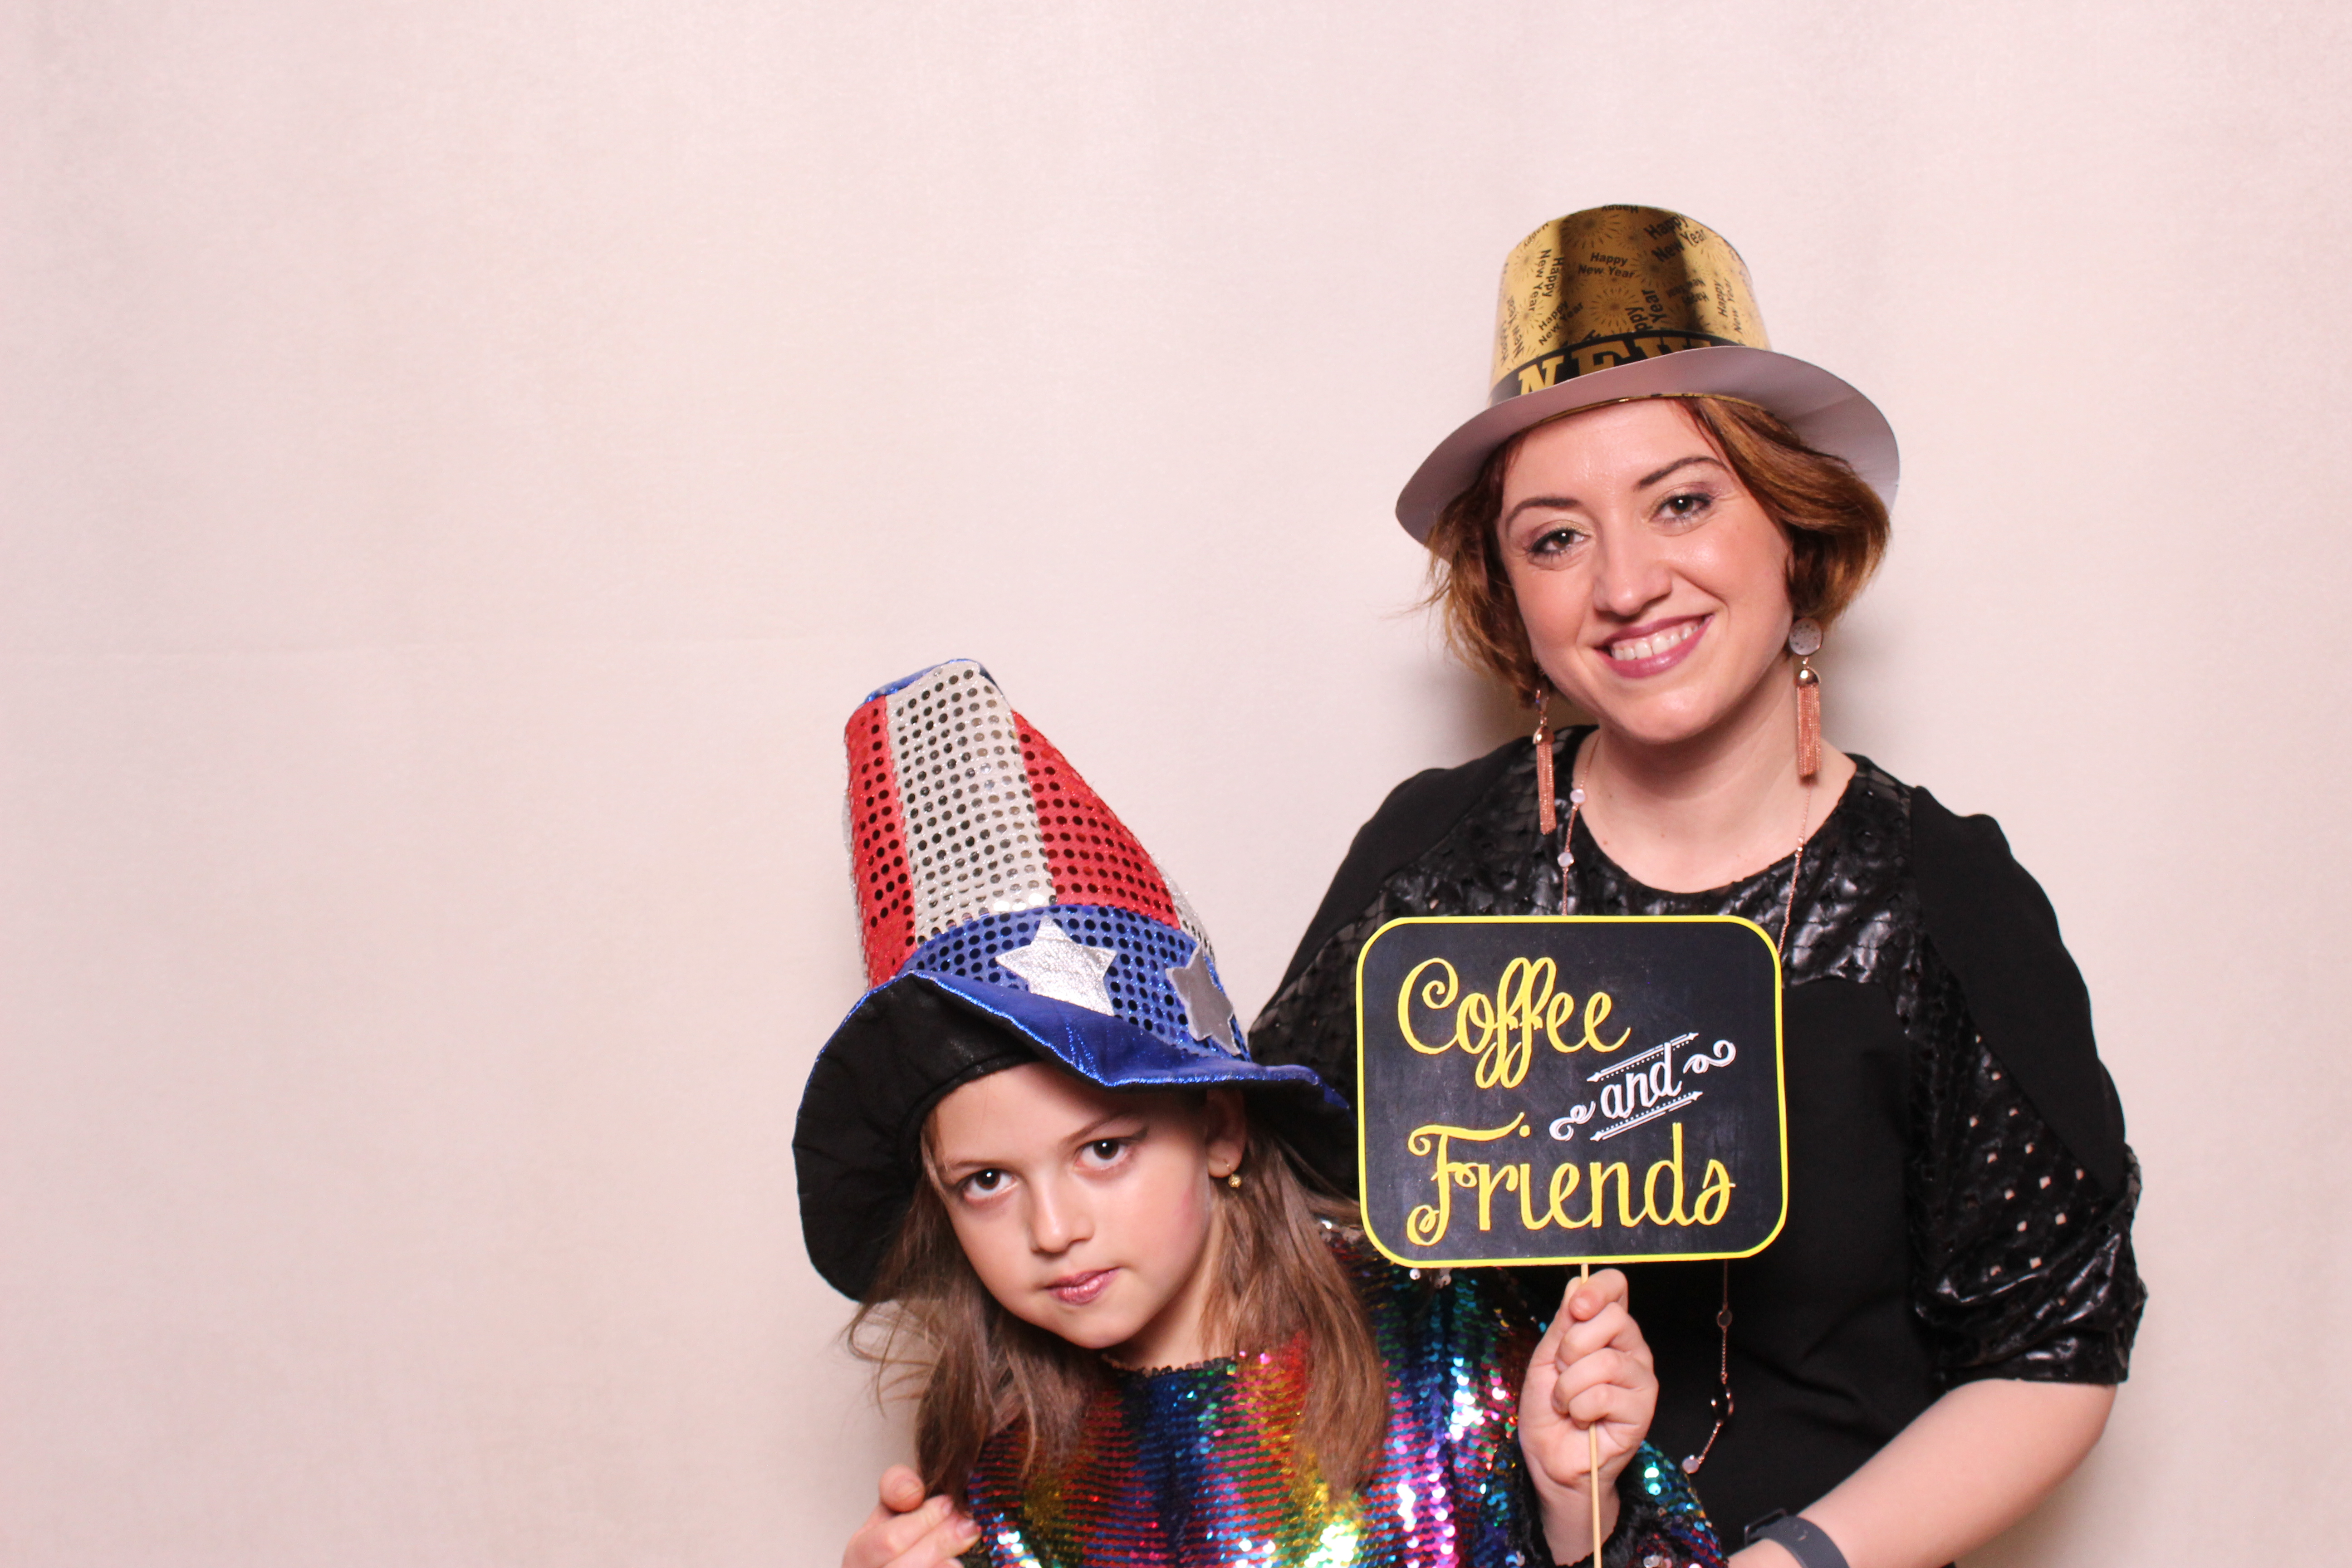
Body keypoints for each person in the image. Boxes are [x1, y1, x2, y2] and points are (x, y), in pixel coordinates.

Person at [1248, 208, 2145, 1568]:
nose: (1626, 584)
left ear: (1793, 524)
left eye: (1682, 502)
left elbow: (2050, 1349)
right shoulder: (1434, 860)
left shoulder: (1941, 898)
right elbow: (1258, 1220)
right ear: (1511, 593)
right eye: (1556, 539)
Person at [794, 659, 1726, 1568]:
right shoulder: (993, 1476)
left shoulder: (1440, 1347)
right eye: (988, 1181)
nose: (1053, 1229)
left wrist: (1574, 1513)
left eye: (1104, 1150)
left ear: (1220, 1129)